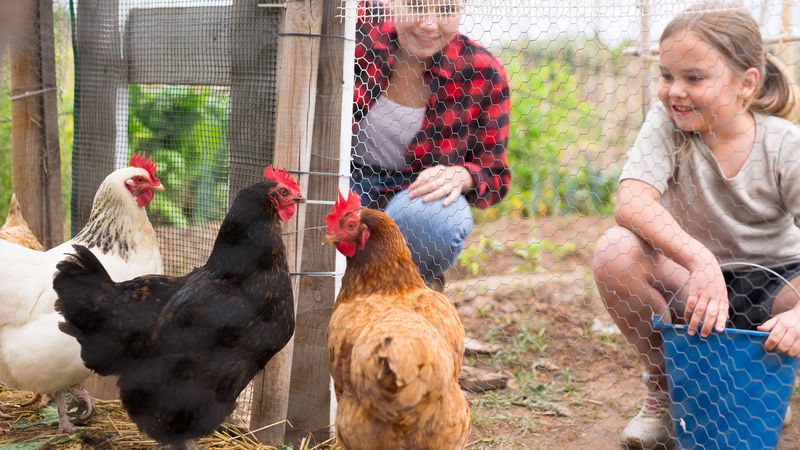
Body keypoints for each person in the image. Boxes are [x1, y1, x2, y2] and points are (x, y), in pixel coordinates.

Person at [592, 3, 800, 449]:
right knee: (615, 251)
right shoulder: (666, 126)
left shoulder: (784, 144)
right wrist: (699, 258)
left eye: (694, 78)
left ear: (747, 83)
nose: (674, 92)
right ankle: (667, 392)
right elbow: (631, 202)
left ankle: (765, 389)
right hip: (692, 284)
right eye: (667, 75)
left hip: (778, 282)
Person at [351, 0, 510, 290]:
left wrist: (464, 175)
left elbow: (496, 174)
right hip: (346, 177)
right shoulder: (357, 34)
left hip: (415, 192)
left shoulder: (483, 73)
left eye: (446, 10)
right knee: (321, 216)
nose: (429, 22)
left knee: (434, 224)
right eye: (415, 5)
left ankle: (408, 293)